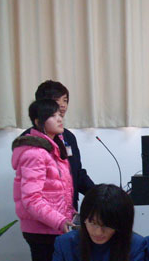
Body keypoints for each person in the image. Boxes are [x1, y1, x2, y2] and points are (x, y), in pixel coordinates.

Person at [12, 99, 76, 261]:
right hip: (42, 228)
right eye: (53, 115)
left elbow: (59, 191)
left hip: (52, 225)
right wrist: (60, 221)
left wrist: (69, 214)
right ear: (38, 121)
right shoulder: (35, 153)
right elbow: (31, 199)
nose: (60, 118)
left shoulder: (52, 147)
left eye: (60, 114)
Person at [21, 80, 94, 210]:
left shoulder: (68, 137)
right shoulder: (28, 139)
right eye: (56, 100)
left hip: (69, 208)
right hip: (43, 212)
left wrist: (98, 194)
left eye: (65, 100)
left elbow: (77, 173)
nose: (62, 105)